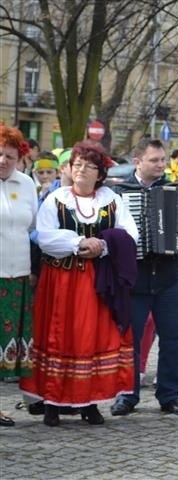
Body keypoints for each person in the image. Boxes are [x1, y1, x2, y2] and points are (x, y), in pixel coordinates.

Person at [19, 140, 139, 427]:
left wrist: (104, 245)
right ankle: (51, 402)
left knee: (92, 339)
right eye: (77, 165)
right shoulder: (56, 199)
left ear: (100, 173)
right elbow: (45, 236)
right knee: (57, 337)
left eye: (89, 166)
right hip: (60, 281)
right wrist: (78, 242)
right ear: (70, 169)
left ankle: (89, 402)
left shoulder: (111, 200)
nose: (82, 170)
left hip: (97, 282)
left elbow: (129, 234)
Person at [110, 138, 178, 418]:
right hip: (134, 280)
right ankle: (127, 394)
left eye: (163, 159)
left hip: (168, 277)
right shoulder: (120, 192)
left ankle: (169, 394)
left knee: (174, 338)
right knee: (130, 340)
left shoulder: (177, 192)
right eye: (155, 160)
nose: (161, 164)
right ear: (138, 162)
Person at [0, 126, 38, 427]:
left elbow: (33, 228)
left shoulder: (26, 185)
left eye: (10, 156)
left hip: (18, 275)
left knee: (7, 344)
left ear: (20, 158)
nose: (2, 160)